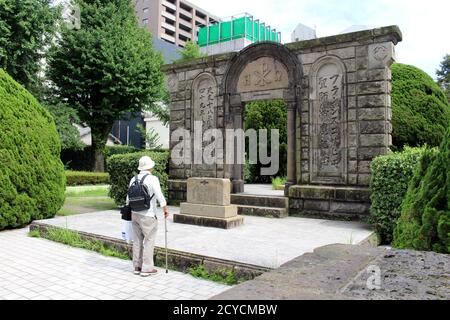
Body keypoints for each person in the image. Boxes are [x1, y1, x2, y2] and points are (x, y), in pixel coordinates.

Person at [126, 156, 169, 277]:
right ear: (150, 167)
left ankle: (137, 267)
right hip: (148, 215)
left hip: (134, 214)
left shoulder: (133, 179)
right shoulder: (153, 179)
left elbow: (128, 198)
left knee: (137, 240)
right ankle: (146, 268)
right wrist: (165, 207)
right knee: (149, 240)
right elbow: (159, 194)